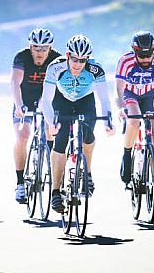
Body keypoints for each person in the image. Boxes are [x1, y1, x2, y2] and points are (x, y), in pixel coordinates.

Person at [40, 34, 115, 213]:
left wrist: (108, 120)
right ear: (67, 55)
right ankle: (55, 191)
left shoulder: (96, 69)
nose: (78, 64)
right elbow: (46, 100)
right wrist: (51, 123)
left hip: (85, 101)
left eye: (83, 60)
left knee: (88, 136)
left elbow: (104, 99)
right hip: (62, 102)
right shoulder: (55, 67)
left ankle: (87, 172)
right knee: (60, 141)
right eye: (75, 59)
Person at [11, 28, 61, 203]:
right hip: (24, 98)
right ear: (30, 47)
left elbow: (61, 86)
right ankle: (20, 183)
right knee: (22, 136)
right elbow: (15, 82)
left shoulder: (57, 59)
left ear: (50, 48)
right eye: (36, 48)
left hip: (46, 98)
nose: (40, 52)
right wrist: (18, 105)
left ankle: (50, 162)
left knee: (50, 129)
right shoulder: (22, 57)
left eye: (44, 49)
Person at [115, 31, 154, 204]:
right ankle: (127, 155)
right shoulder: (125, 61)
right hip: (130, 94)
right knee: (134, 119)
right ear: (134, 51)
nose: (145, 59)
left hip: (150, 96)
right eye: (141, 56)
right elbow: (118, 90)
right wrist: (121, 108)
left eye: (148, 55)